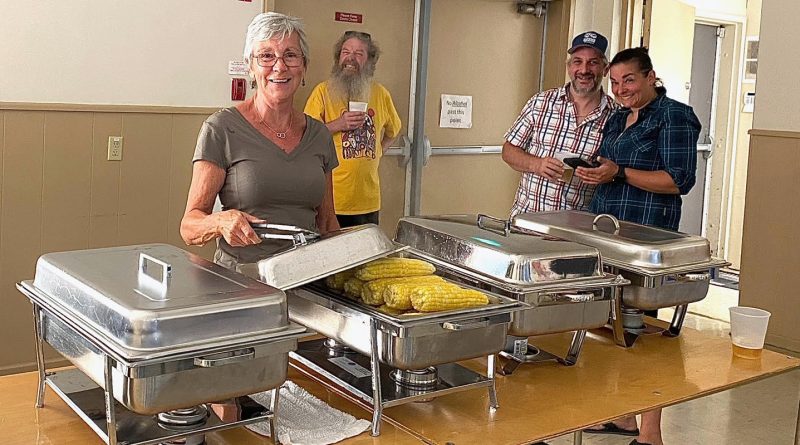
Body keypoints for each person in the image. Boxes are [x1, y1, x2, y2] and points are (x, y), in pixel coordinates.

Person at [577, 47, 701, 445]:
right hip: (608, 233)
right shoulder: (617, 118)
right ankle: (624, 416)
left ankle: (650, 433)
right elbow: (610, 167)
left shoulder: (675, 116)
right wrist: (593, 170)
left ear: (650, 77)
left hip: (648, 236)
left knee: (643, 332)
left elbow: (678, 180)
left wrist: (620, 173)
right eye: (614, 82)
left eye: (628, 80)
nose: (621, 89)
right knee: (612, 326)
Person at [180, 12, 339, 270]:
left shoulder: (319, 135)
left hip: (308, 281)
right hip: (242, 283)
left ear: (304, 66)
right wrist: (220, 222)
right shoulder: (221, 128)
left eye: (290, 55)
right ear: (251, 67)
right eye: (266, 56)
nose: (279, 67)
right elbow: (189, 226)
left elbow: (328, 224)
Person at [502, 31, 617, 217]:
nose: (584, 70)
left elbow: (616, 173)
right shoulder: (541, 102)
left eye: (593, 62)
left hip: (577, 231)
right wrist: (537, 164)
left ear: (605, 69)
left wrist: (606, 175)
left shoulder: (616, 116)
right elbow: (508, 151)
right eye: (578, 61)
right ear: (569, 67)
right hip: (526, 223)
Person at [304, 30, 402, 228]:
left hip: (368, 201)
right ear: (338, 57)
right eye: (345, 52)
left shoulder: (380, 94)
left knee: (366, 257)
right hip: (330, 200)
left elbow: (394, 130)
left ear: (369, 61)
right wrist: (338, 124)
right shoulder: (322, 92)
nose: (350, 58)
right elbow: (306, 136)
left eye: (358, 53)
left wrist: (379, 151)